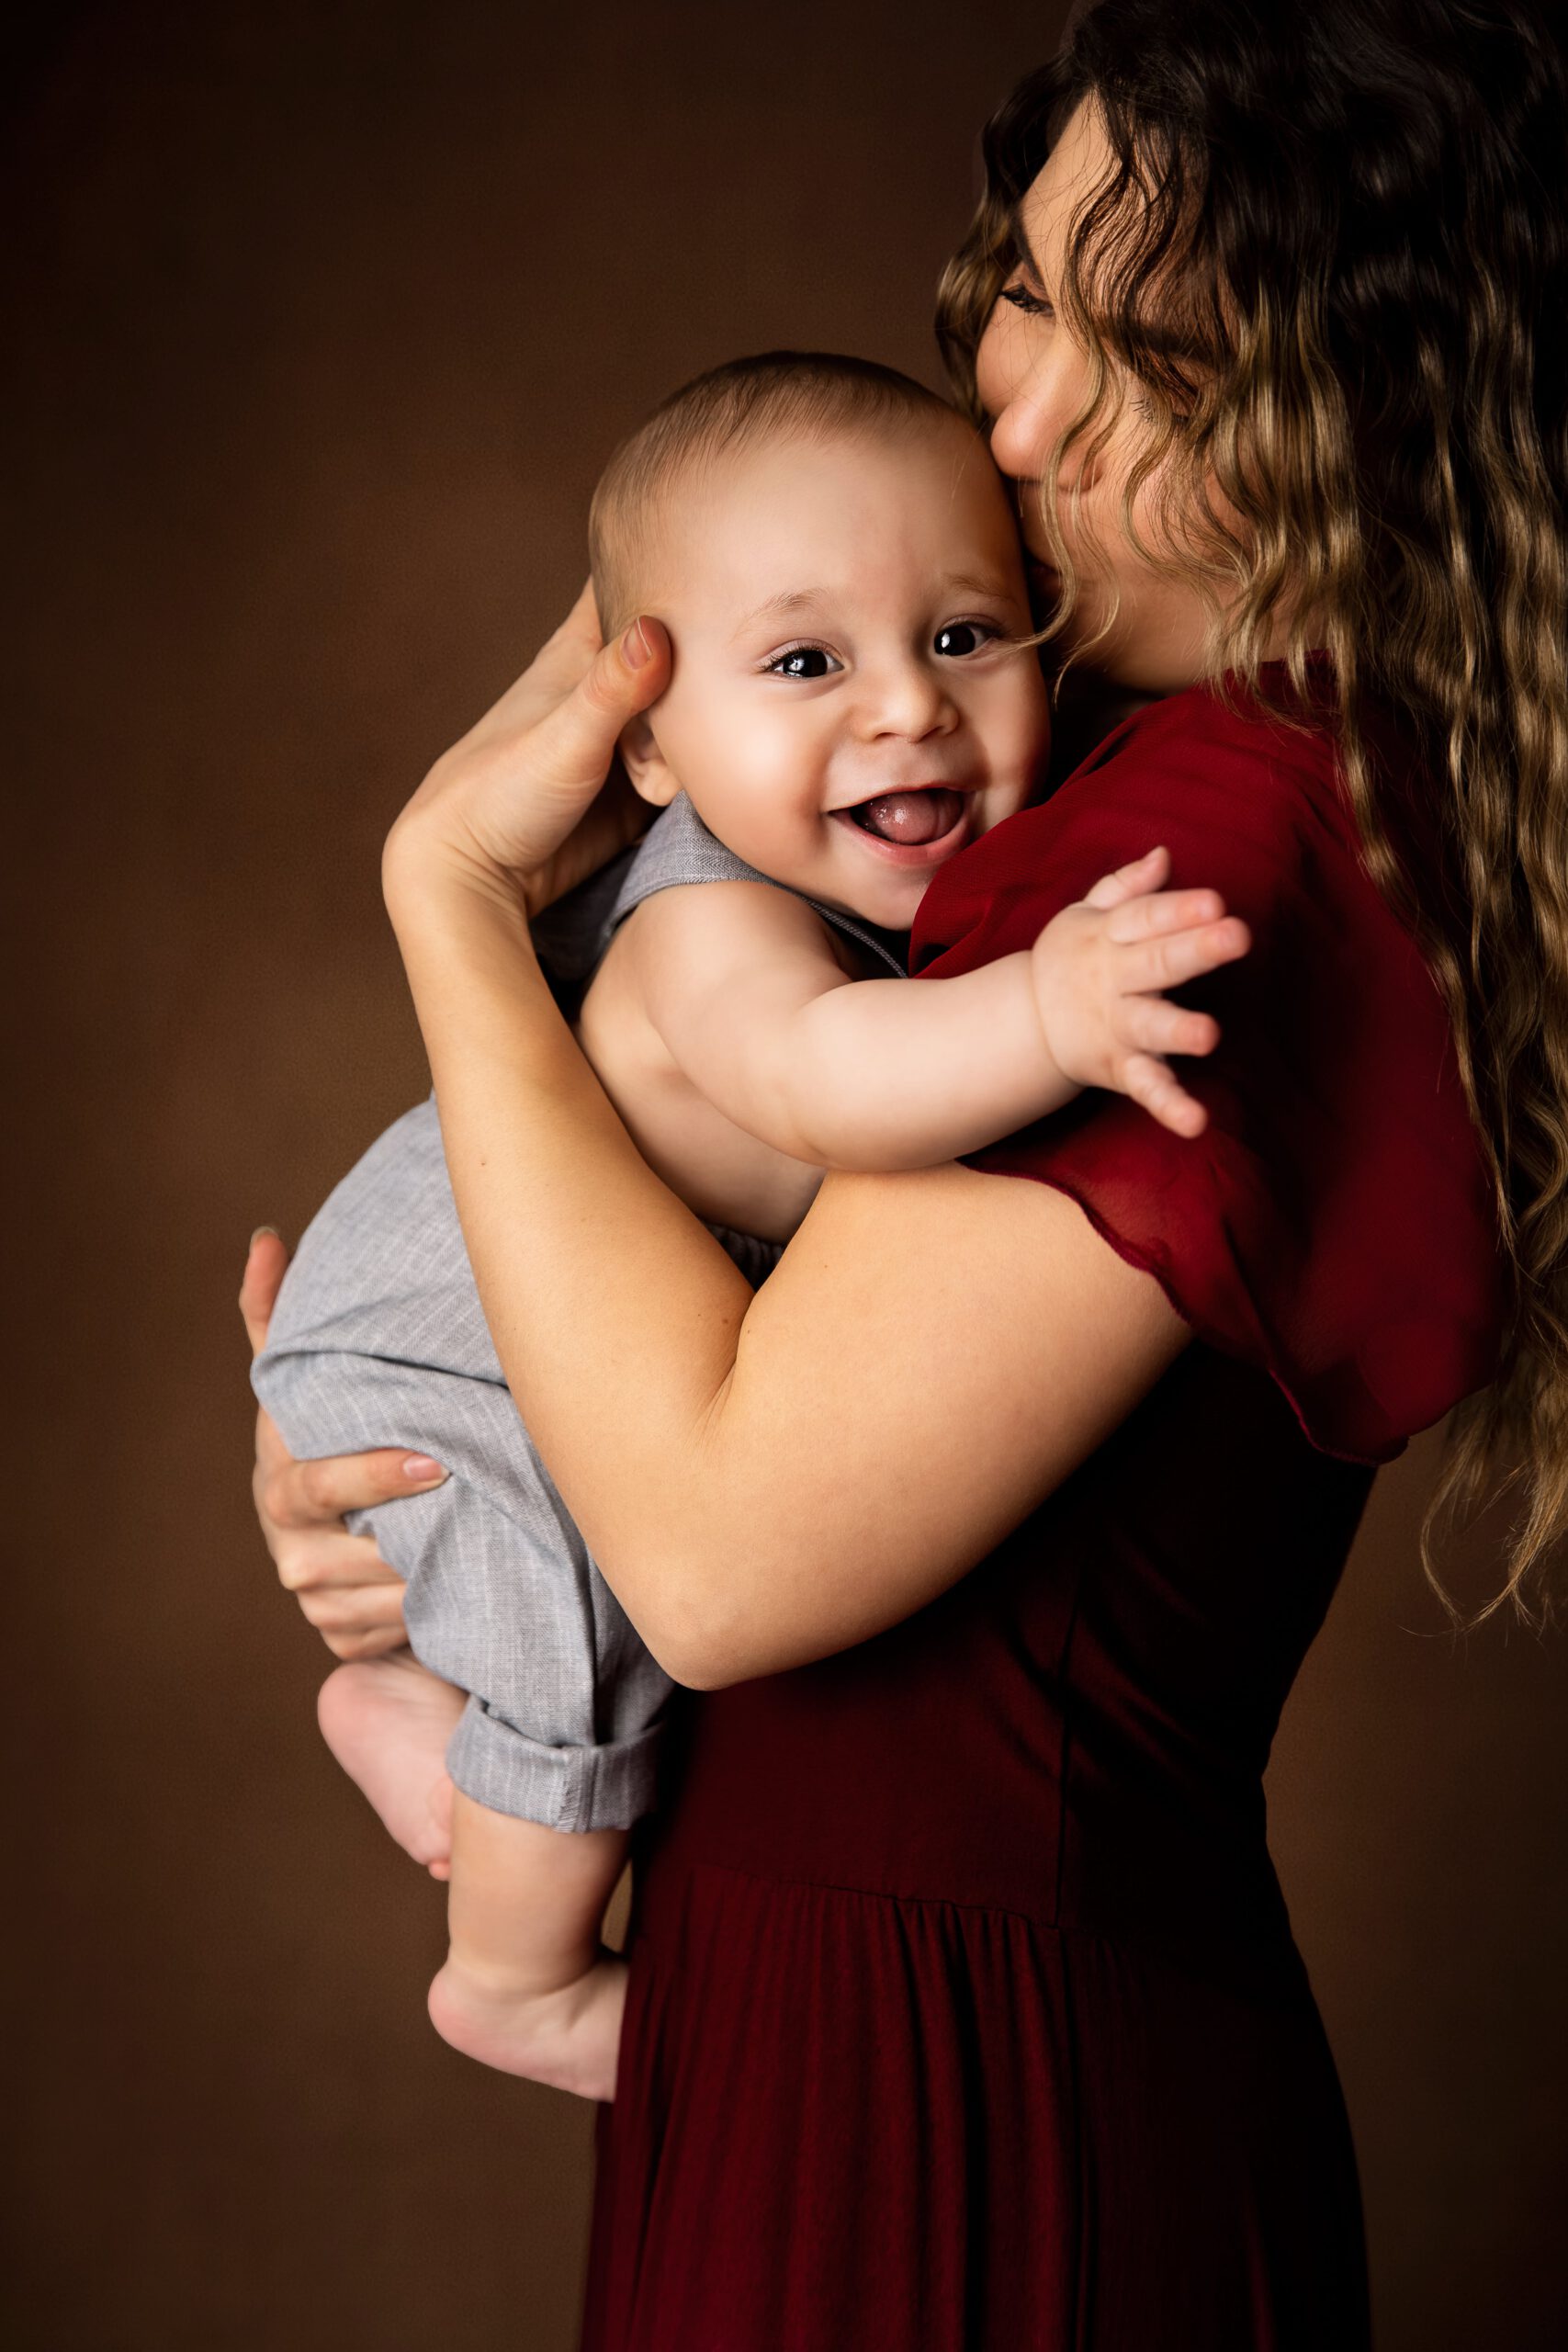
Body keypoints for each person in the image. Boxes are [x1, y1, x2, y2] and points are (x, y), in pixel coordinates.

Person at [243, 2, 1565, 2343]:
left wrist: (446, 892)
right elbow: (673, 1346)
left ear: (1375, 408)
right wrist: (430, 1446)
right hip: (837, 2004)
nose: (1020, 416)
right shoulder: (1067, 773)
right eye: (1028, 290)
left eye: (1157, 357)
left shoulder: (1220, 839)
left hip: (963, 2086)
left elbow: (720, 1550)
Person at [248, 351, 1248, 2100]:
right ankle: (516, 1978)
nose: (908, 707)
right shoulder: (713, 927)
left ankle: (414, 1708)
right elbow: (827, 1080)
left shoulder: (898, 857)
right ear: (646, 742)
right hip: (448, 1348)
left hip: (492, 1313)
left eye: (966, 634)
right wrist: (1050, 1015)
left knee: (560, 1602)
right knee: (573, 1622)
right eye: (805, 664)